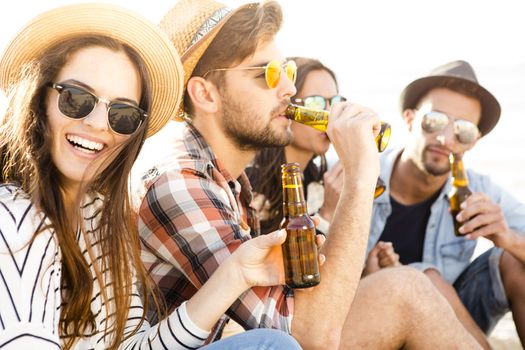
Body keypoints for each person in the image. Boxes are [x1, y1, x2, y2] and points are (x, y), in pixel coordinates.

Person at [131, 0, 481, 348]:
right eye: (266, 74)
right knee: (408, 290)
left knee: (415, 282)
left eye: (287, 72)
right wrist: (360, 177)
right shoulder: (179, 182)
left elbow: (286, 306)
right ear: (205, 94)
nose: (288, 89)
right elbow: (307, 336)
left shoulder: (229, 181)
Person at [0, 4, 302, 350]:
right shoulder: (15, 221)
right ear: (40, 99)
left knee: (270, 344)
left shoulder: (99, 216)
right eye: (77, 99)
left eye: (123, 113)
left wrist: (236, 274)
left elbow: (131, 345)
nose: (99, 123)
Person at [367, 60, 525, 348]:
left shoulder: (478, 190)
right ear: (411, 119)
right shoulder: (358, 173)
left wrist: (507, 238)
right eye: (434, 121)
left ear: (473, 141)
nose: (445, 138)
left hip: (451, 323)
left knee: (516, 260)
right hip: (374, 314)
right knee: (425, 275)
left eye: (463, 131)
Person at [249, 56, 400, 275]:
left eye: (334, 102)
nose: (329, 114)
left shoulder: (320, 179)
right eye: (316, 103)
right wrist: (328, 213)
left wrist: (370, 266)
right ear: (286, 109)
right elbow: (288, 276)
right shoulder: (251, 184)